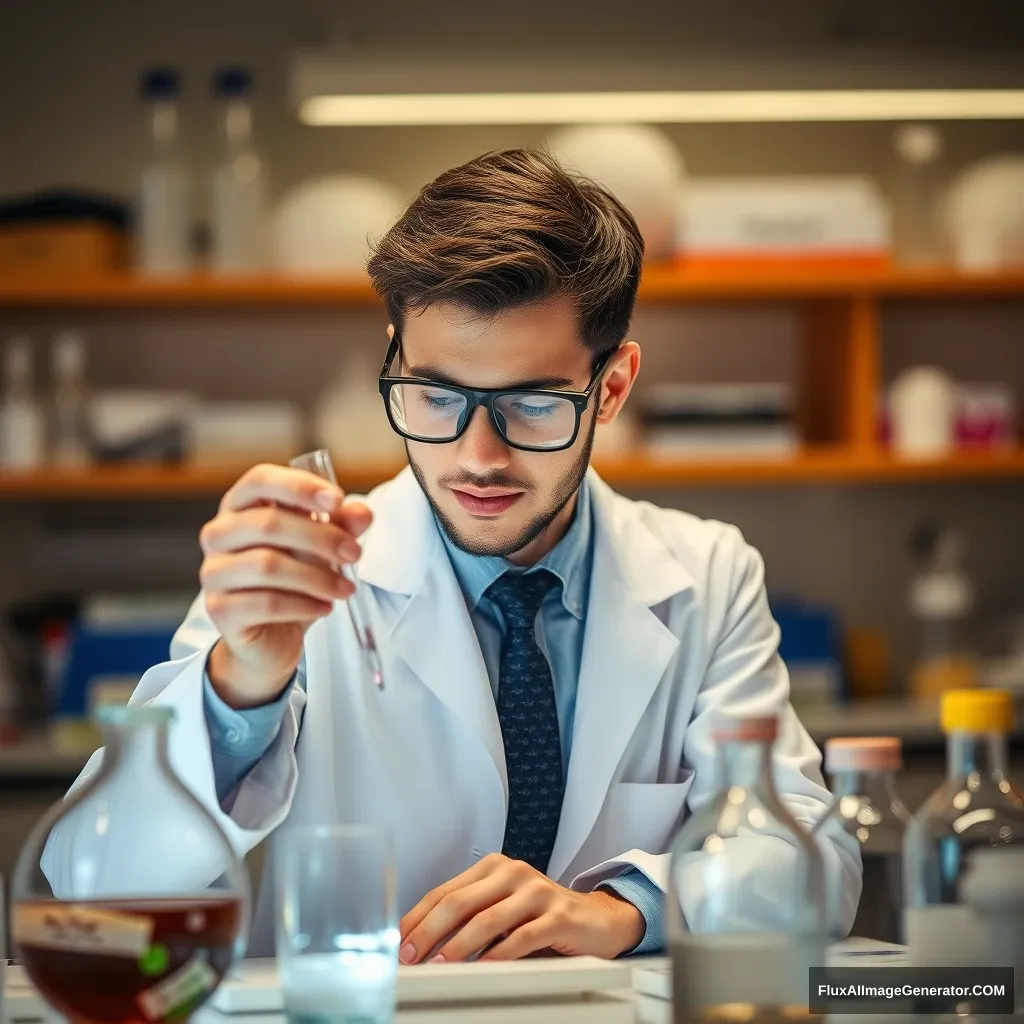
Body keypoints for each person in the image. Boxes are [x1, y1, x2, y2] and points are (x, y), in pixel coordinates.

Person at [44, 149, 861, 961]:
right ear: (395, 356)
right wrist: (240, 686)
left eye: (532, 404)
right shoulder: (299, 576)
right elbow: (95, 893)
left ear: (611, 387)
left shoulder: (709, 576)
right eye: (435, 397)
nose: (476, 456)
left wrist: (626, 909)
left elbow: (816, 863)